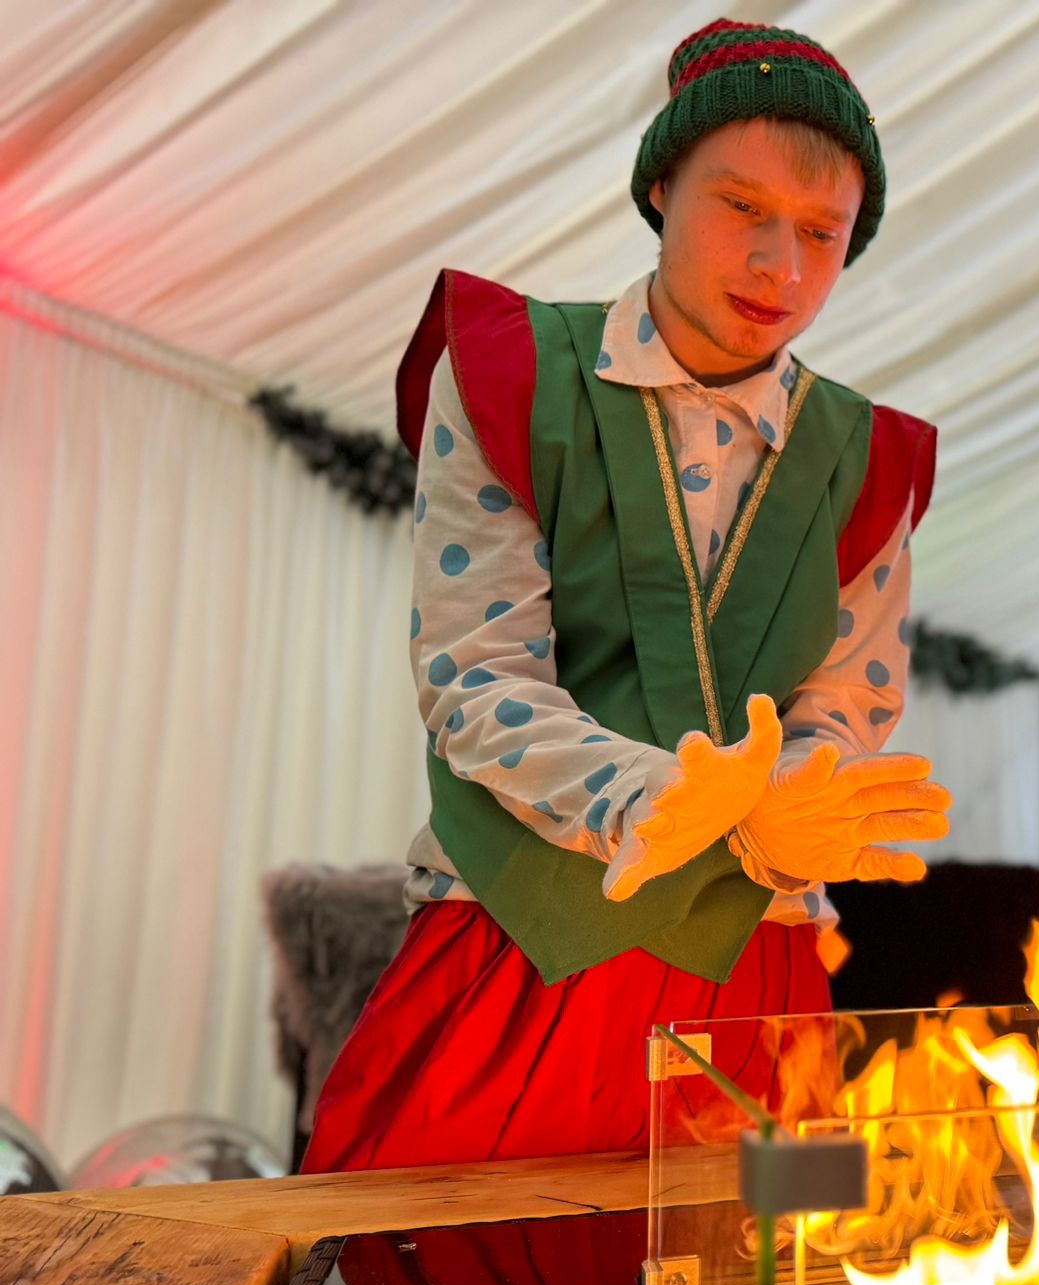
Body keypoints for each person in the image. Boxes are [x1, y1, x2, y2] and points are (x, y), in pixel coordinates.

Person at [305, 19, 947, 1173]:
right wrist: (669, 799)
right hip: (515, 942)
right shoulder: (507, 372)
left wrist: (797, 799)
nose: (779, 267)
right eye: (740, 207)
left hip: (763, 975)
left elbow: (847, 706)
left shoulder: (871, 457)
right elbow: (474, 679)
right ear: (660, 184)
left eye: (820, 233)